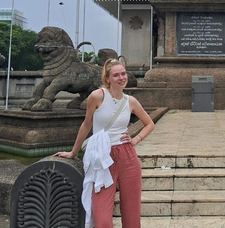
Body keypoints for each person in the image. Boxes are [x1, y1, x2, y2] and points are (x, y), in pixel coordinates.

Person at [54, 58, 155, 228]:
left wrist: (136, 139)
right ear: (107, 78)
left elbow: (149, 124)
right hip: (103, 157)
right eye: (116, 75)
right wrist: (73, 152)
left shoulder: (130, 101)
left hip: (127, 156)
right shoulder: (97, 96)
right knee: (102, 218)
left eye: (123, 74)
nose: (121, 78)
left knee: (132, 214)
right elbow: (86, 125)